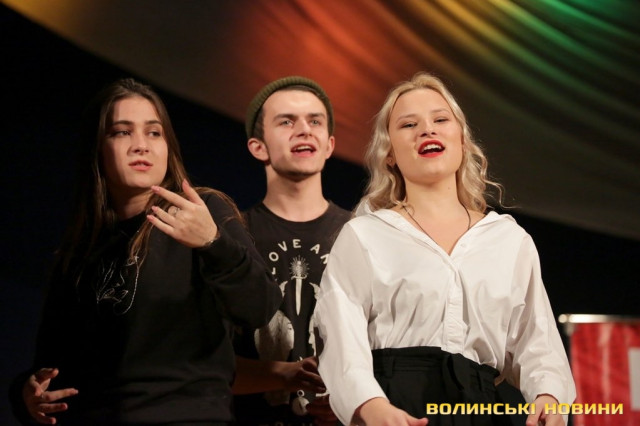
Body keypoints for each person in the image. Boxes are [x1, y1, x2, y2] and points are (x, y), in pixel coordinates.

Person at [9, 78, 282, 425]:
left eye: (154, 133)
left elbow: (260, 308)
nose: (141, 145)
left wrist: (213, 242)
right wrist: (26, 395)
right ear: (97, 148)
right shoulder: (79, 251)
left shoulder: (201, 211)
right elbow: (49, 364)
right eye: (122, 132)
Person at [313, 72, 576, 426]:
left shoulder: (509, 240)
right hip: (394, 406)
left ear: (462, 141)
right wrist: (372, 406)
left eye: (440, 120)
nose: (426, 130)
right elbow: (341, 335)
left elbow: (537, 342)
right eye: (409, 124)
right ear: (389, 154)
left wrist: (549, 396)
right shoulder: (365, 235)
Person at [232, 76, 351, 425]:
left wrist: (356, 397)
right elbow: (204, 362)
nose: (304, 130)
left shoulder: (362, 235)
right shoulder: (232, 236)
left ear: (329, 145)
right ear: (258, 147)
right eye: (286, 122)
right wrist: (282, 376)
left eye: (315, 121)